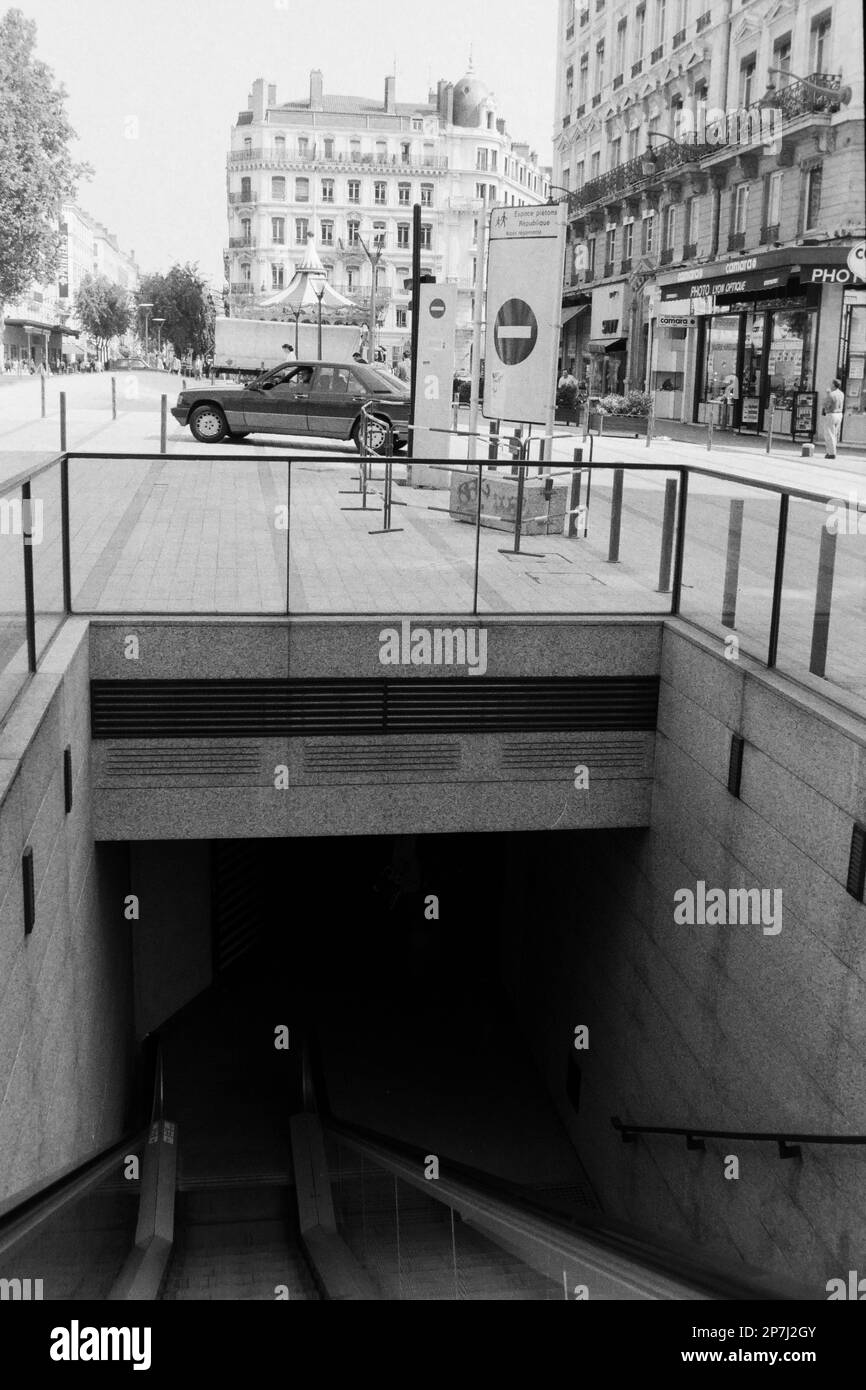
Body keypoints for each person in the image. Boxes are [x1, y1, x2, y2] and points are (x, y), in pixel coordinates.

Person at [821, 378, 844, 458]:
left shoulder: (831, 394)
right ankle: (831, 451)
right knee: (835, 434)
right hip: (839, 414)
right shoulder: (841, 393)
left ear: (834, 385)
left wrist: (827, 394)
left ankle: (831, 453)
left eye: (831, 384)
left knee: (829, 434)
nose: (830, 385)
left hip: (831, 414)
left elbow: (826, 405)